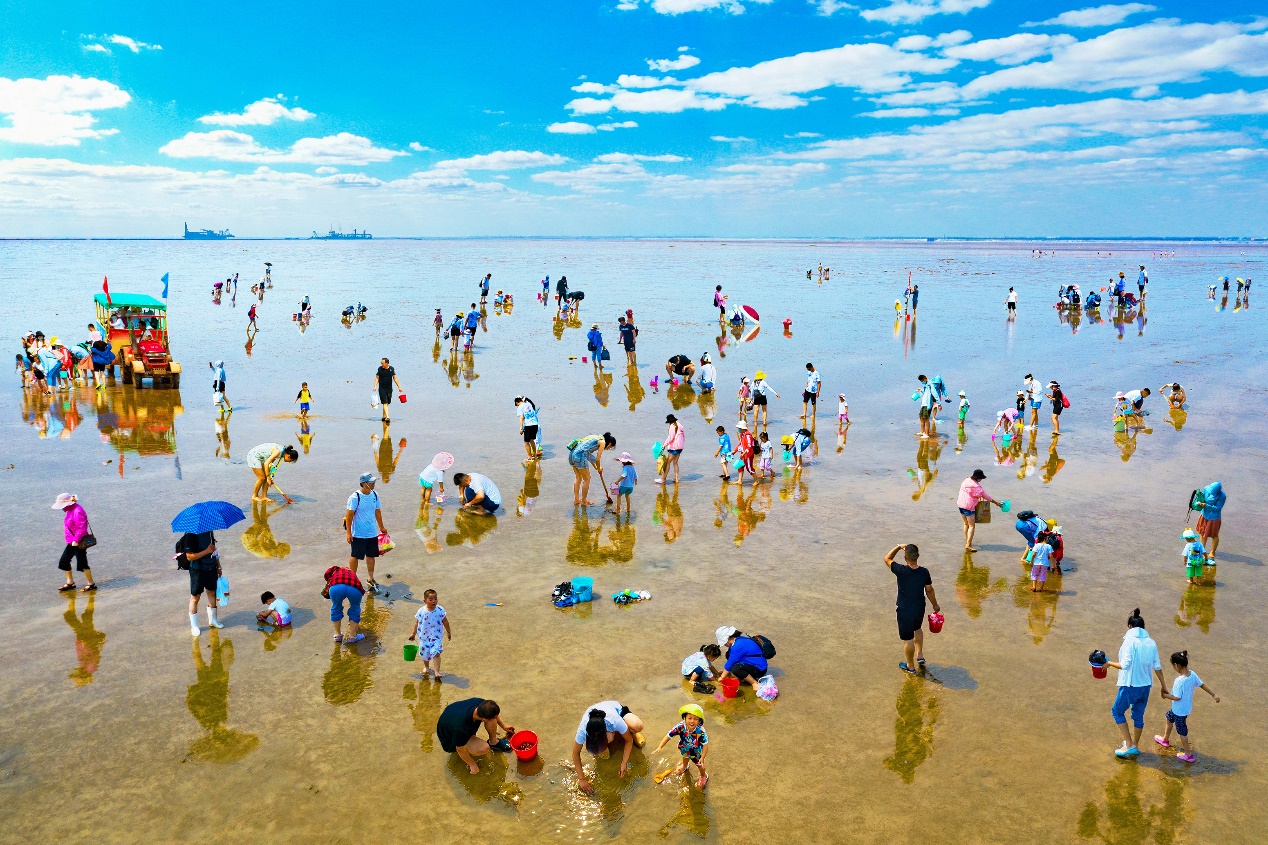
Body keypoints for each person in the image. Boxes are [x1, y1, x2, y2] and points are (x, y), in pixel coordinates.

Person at [1103, 608, 1168, 758]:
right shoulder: (1151, 642)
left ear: (1130, 627)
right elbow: (1157, 667)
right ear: (1143, 628)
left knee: (1117, 711)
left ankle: (1129, 744)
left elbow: (1125, 665)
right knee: (1138, 715)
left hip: (1130, 686)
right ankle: (1135, 745)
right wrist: (1164, 687)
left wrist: (1110, 663)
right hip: (1146, 687)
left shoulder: (1129, 641)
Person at [884, 543, 940, 674]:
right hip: (919, 607)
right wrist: (935, 605)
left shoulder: (901, 570)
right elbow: (929, 590)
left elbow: (887, 558)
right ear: (918, 556)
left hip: (904, 609)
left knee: (907, 638)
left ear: (905, 557)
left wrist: (898, 546)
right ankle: (919, 655)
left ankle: (910, 666)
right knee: (918, 629)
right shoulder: (924, 572)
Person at [1156, 650, 1219, 763]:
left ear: (1177, 665)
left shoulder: (1179, 681)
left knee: (1182, 731)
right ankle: (1165, 740)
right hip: (1183, 708)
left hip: (1179, 711)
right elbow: (1202, 685)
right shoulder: (1192, 674)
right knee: (1169, 718)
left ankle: (1188, 755)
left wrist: (1165, 695)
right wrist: (1213, 694)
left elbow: (1176, 697)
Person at [572, 700, 646, 794]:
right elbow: (575, 753)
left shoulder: (615, 721)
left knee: (637, 726)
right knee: (608, 742)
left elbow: (628, 741)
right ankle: (620, 735)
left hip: (616, 710)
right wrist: (581, 779)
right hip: (598, 721)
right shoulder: (583, 730)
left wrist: (624, 763)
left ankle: (632, 732)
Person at [439, 698, 514, 774]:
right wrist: (473, 765)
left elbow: (494, 714)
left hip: (454, 717)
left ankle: (494, 742)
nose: (496, 718)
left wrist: (503, 726)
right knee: (484, 748)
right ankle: (471, 749)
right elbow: (460, 749)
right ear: (484, 719)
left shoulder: (481, 703)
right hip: (450, 740)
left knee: (492, 719)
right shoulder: (461, 728)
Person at [345, 472, 386, 590]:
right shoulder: (355, 497)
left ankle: (370, 578)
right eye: (371, 482)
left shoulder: (375, 495)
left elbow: (377, 512)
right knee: (355, 555)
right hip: (358, 533)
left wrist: (382, 527)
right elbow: (349, 516)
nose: (373, 484)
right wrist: (348, 533)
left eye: (374, 482)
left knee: (371, 555)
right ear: (363, 484)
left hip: (372, 532)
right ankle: (352, 578)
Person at [653, 704, 709, 789]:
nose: (692, 721)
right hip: (684, 747)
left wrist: (702, 757)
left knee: (700, 765)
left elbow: (705, 744)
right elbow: (669, 735)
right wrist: (660, 746)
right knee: (685, 757)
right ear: (684, 718)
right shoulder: (680, 726)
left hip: (697, 752)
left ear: (699, 721)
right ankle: (684, 766)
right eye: (689, 718)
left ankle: (703, 776)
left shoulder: (700, 731)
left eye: (696, 719)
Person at [181, 529, 222, 636]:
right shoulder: (190, 535)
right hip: (197, 569)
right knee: (195, 597)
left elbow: (214, 550)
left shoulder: (209, 531)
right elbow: (189, 557)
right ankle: (194, 626)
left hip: (211, 567)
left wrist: (219, 566)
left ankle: (213, 620)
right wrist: (206, 551)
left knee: (212, 592)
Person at [53, 493, 95, 593]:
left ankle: (91, 584)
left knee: (82, 563)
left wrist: (76, 541)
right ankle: (70, 582)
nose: (61, 508)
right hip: (71, 541)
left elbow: (81, 528)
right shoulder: (70, 510)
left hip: (78, 541)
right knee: (64, 561)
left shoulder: (77, 511)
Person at [408, 589, 451, 679]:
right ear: (425, 601)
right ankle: (426, 667)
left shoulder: (440, 610)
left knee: (436, 653)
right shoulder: (421, 611)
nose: (433, 601)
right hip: (424, 637)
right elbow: (417, 623)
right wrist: (413, 634)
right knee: (425, 654)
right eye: (430, 599)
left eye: (435, 599)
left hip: (436, 637)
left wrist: (448, 632)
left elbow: (445, 621)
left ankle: (436, 672)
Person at [957, 469, 1000, 552]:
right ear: (979, 478)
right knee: (972, 526)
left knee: (965, 524)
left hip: (960, 504)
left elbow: (968, 478)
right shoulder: (977, 487)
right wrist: (996, 503)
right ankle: (968, 545)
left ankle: (967, 541)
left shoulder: (966, 480)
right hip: (968, 507)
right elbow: (986, 496)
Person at [715, 626, 768, 692]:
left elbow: (731, 662)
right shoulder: (738, 639)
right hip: (752, 661)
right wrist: (725, 671)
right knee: (728, 654)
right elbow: (732, 658)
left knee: (736, 668)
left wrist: (722, 677)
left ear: (726, 640)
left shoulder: (738, 646)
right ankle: (745, 676)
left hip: (760, 668)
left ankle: (754, 683)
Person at [324, 564, 365, 644]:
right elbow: (361, 588)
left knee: (336, 607)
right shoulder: (352, 573)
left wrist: (329, 580)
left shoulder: (335, 569)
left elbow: (326, 574)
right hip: (354, 587)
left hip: (336, 586)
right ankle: (352, 636)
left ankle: (337, 634)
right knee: (355, 608)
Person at [569, 433, 614, 505]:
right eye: (610, 447)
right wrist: (599, 468)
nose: (608, 448)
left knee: (578, 477)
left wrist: (596, 467)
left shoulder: (594, 437)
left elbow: (587, 453)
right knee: (587, 479)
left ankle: (576, 500)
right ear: (609, 444)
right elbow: (597, 459)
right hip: (580, 456)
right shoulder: (602, 442)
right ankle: (584, 501)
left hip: (572, 454)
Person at [1195, 481, 1225, 562]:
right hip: (1204, 514)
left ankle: (1212, 552)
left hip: (1214, 517)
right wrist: (1199, 498)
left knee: (1214, 535)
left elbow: (1218, 508)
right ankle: (1202, 549)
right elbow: (1203, 499)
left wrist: (1206, 505)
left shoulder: (1222, 496)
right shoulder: (1206, 488)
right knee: (1202, 533)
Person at [658, 415, 685, 485]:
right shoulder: (679, 425)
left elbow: (671, 437)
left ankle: (663, 479)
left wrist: (664, 445)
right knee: (675, 463)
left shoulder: (672, 426)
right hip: (680, 447)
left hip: (674, 447)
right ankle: (676, 479)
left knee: (667, 463)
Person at [374, 358, 402, 424]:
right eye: (381, 363)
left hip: (389, 388)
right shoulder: (380, 369)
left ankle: (383, 416)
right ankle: (387, 417)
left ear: (387, 363)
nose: (381, 364)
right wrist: (375, 386)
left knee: (387, 402)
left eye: (382, 363)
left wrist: (399, 387)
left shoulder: (391, 369)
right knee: (384, 402)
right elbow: (377, 378)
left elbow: (395, 378)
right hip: (382, 388)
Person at [515, 396, 541, 461]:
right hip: (535, 424)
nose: (517, 406)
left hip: (529, 425)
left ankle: (529, 457)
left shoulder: (520, 407)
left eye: (516, 405)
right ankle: (534, 455)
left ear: (517, 402)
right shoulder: (528, 404)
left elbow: (522, 418)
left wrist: (521, 428)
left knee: (526, 442)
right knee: (531, 440)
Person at [615, 451, 637, 517]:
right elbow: (635, 476)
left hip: (624, 485)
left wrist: (617, 481)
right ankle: (628, 509)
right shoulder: (633, 468)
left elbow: (624, 475)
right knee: (627, 496)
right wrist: (635, 482)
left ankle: (618, 510)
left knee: (618, 496)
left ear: (624, 462)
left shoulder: (625, 468)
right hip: (631, 486)